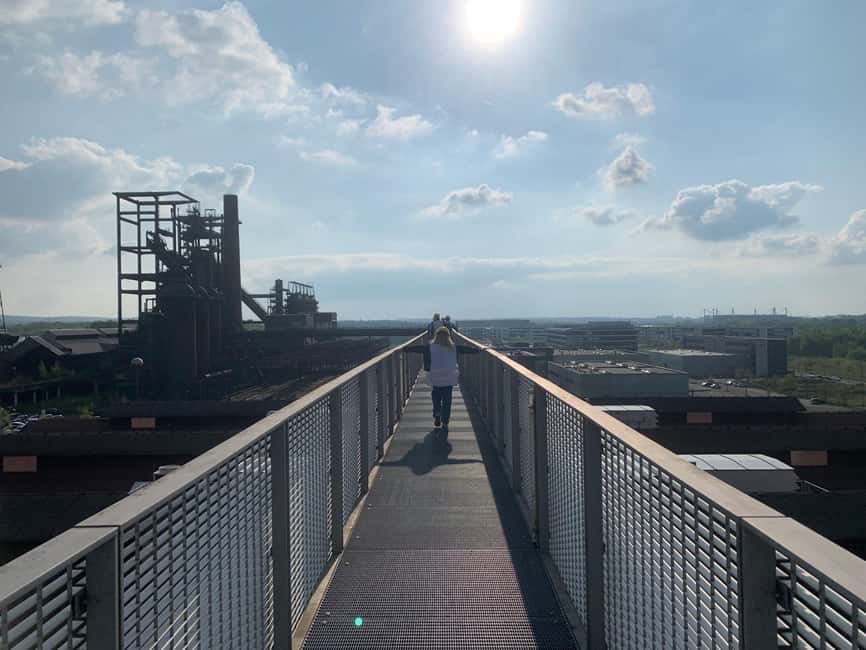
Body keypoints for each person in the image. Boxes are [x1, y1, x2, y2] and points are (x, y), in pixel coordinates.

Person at [428, 326, 459, 438]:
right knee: (447, 400)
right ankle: (445, 421)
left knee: (436, 396)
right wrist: (480, 350)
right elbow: (467, 350)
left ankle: (437, 411)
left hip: (436, 377)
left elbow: (418, 349)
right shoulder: (453, 347)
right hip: (449, 378)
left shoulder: (431, 346)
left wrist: (404, 349)